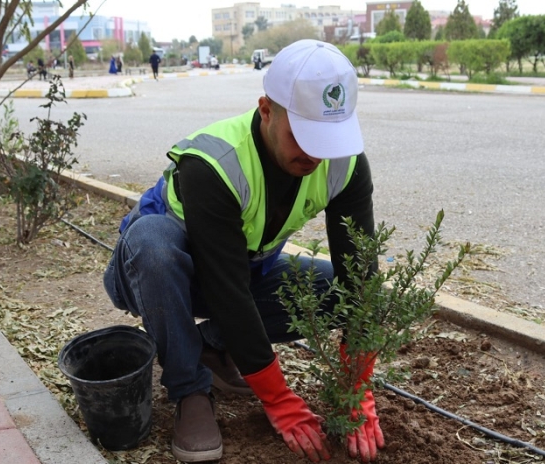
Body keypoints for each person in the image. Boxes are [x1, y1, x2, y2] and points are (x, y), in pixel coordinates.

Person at [103, 40, 383, 463]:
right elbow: (226, 289)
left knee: (332, 291)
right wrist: (279, 399)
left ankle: (209, 347)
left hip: (241, 270)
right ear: (266, 110)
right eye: (303, 135)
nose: (315, 153)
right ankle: (190, 391)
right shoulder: (215, 162)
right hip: (150, 275)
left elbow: (360, 276)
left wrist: (357, 387)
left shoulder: (344, 163)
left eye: (327, 137)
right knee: (153, 243)